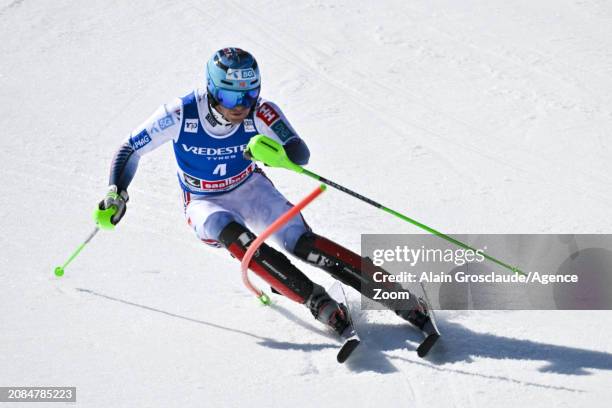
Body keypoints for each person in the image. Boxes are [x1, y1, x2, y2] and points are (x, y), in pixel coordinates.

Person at [97, 47, 430, 338]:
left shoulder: (262, 111)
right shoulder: (179, 114)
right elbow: (130, 149)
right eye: (231, 97)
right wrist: (117, 193)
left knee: (303, 243)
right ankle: (316, 300)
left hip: (250, 188)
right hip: (203, 201)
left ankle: (398, 297)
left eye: (249, 95)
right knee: (239, 241)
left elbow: (300, 153)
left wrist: (276, 153)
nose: (241, 106)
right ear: (213, 91)